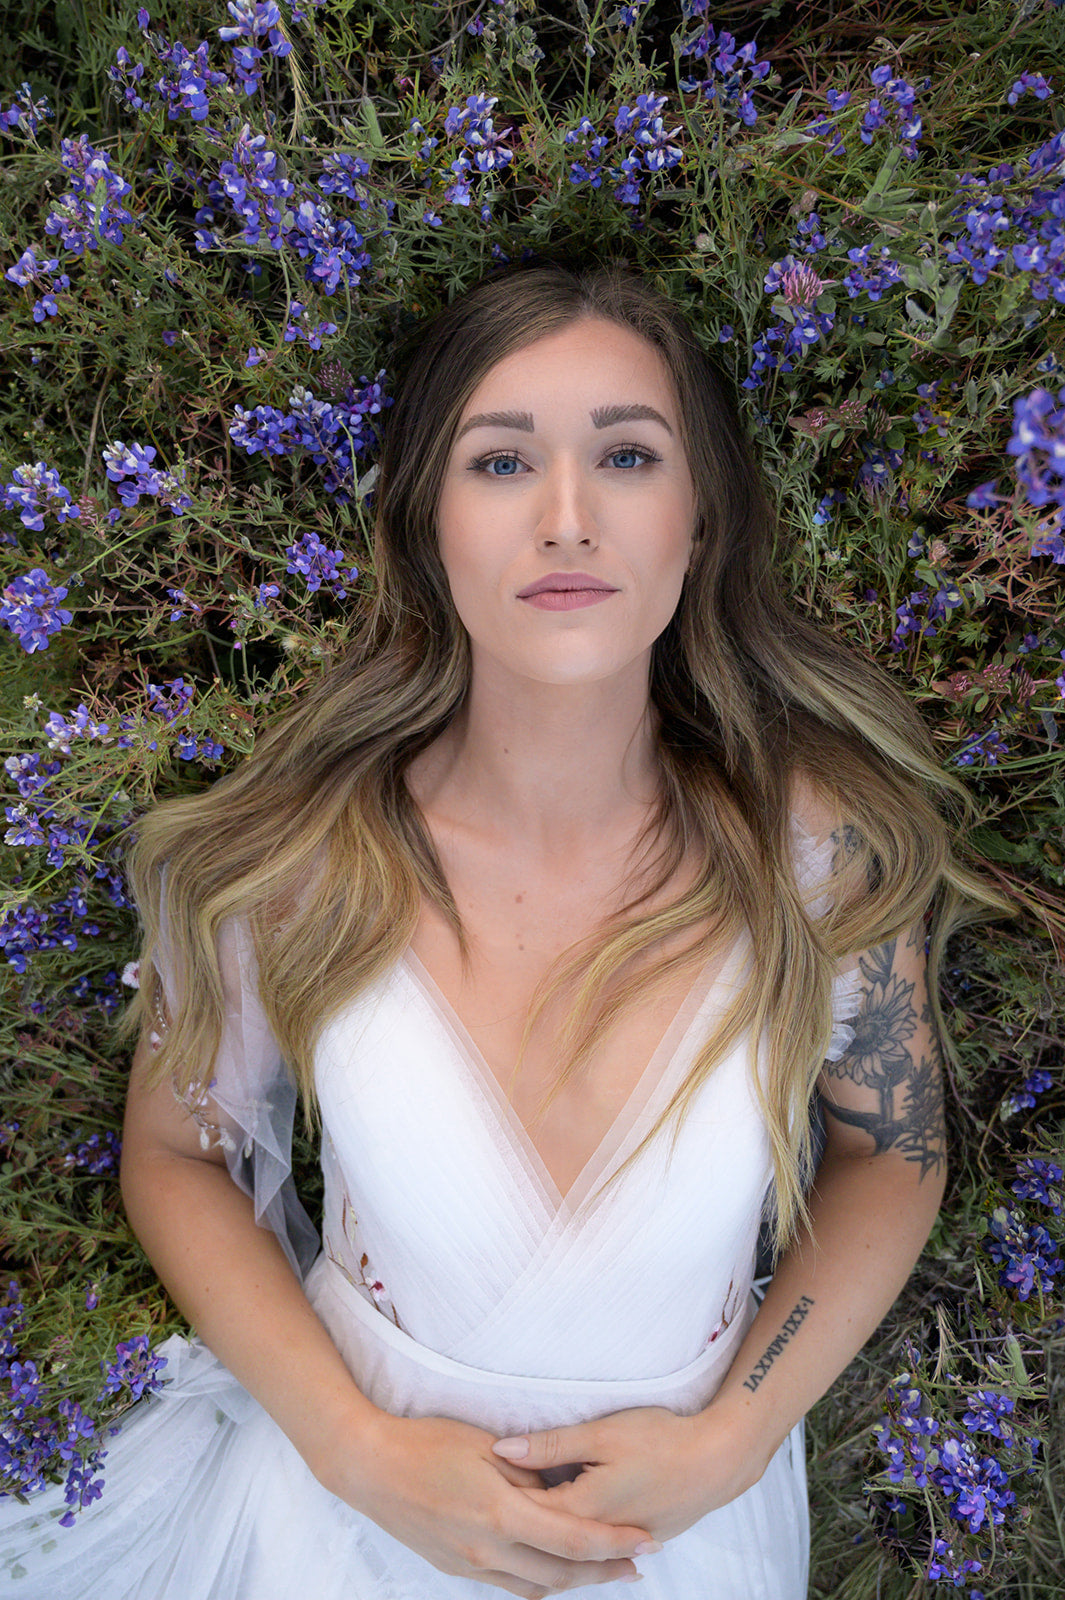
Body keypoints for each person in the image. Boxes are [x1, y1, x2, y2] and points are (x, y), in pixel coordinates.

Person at [0, 259, 1005, 1599]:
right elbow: (176, 1154)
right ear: (428, 526)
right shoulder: (296, 860)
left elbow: (891, 1153)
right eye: (500, 463)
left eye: (627, 456)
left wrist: (737, 1434)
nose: (567, 520)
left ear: (700, 519)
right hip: (335, 1528)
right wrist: (352, 1446)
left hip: (689, 1537)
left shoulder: (818, 855)